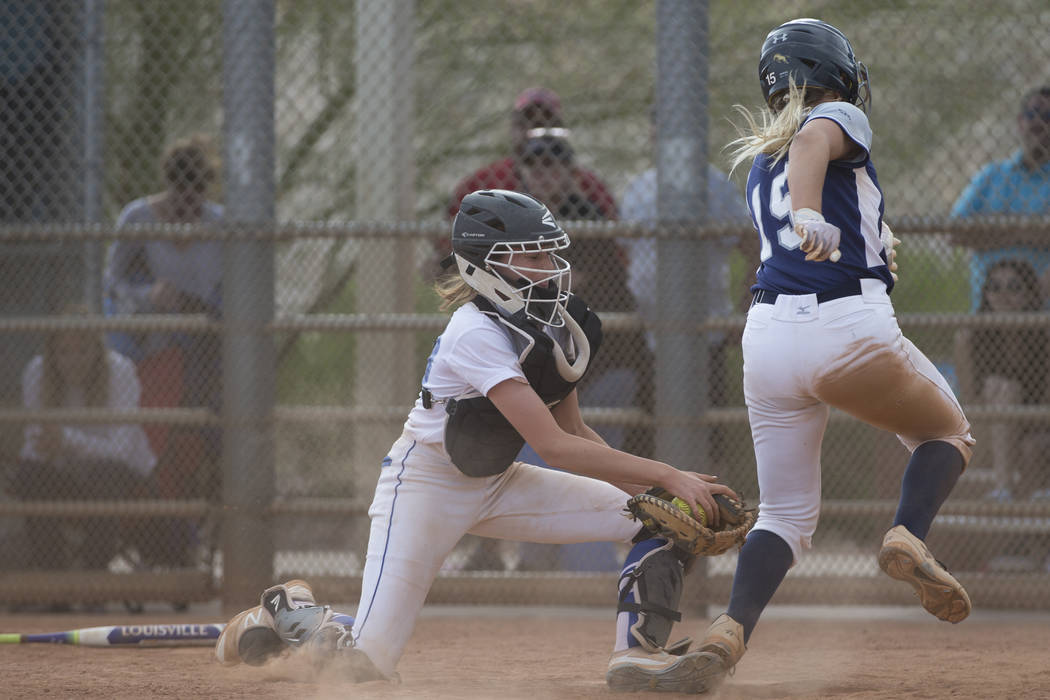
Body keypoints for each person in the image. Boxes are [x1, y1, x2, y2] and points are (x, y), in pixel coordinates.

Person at [214, 189, 739, 692]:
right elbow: (554, 447)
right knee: (365, 668)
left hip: (499, 481)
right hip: (424, 487)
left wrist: (667, 489)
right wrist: (669, 473)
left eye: (546, 254)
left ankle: (638, 656)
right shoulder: (475, 332)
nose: (545, 267)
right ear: (482, 267)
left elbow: (576, 432)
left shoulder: (552, 324)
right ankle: (294, 611)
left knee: (657, 515)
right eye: (526, 257)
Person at [627, 18, 977, 693]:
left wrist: (856, 234)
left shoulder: (763, 159)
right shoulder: (829, 118)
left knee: (786, 515)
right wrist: (815, 214)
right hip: (845, 326)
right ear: (835, 73)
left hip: (767, 340)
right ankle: (907, 534)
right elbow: (817, 144)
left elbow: (804, 198)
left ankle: (728, 634)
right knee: (946, 433)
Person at [102, 134, 224, 566]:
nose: (185, 214)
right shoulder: (138, 217)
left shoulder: (218, 223)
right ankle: (150, 535)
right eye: (178, 202)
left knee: (196, 440)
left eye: (194, 203)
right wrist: (147, 296)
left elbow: (233, 294)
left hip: (203, 349)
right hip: (150, 345)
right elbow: (113, 285)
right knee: (155, 436)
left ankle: (188, 540)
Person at [11, 304, 156, 570]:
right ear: (52, 353)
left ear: (97, 350)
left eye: (82, 350)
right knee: (30, 474)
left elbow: (121, 453)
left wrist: (65, 440)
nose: (73, 360)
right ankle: (52, 577)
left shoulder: (119, 371)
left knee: (105, 473)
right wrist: (46, 448)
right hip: (65, 474)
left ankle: (94, 576)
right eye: (64, 351)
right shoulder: (37, 371)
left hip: (119, 478)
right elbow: (35, 442)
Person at [951, 85, 1050, 311]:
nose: (1039, 122)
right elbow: (954, 231)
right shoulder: (991, 176)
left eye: (1048, 116)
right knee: (964, 337)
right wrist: (1027, 233)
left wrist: (993, 231)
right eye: (1032, 113)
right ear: (1020, 121)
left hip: (1043, 318)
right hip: (988, 314)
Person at [962, 259, 1048, 501]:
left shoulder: (1044, 334)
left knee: (1033, 445)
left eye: (1014, 287)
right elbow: (971, 398)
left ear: (1030, 294)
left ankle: (1004, 488)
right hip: (989, 424)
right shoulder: (971, 337)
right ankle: (1002, 488)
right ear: (985, 293)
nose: (1003, 295)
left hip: (1033, 420)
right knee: (1000, 387)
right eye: (995, 288)